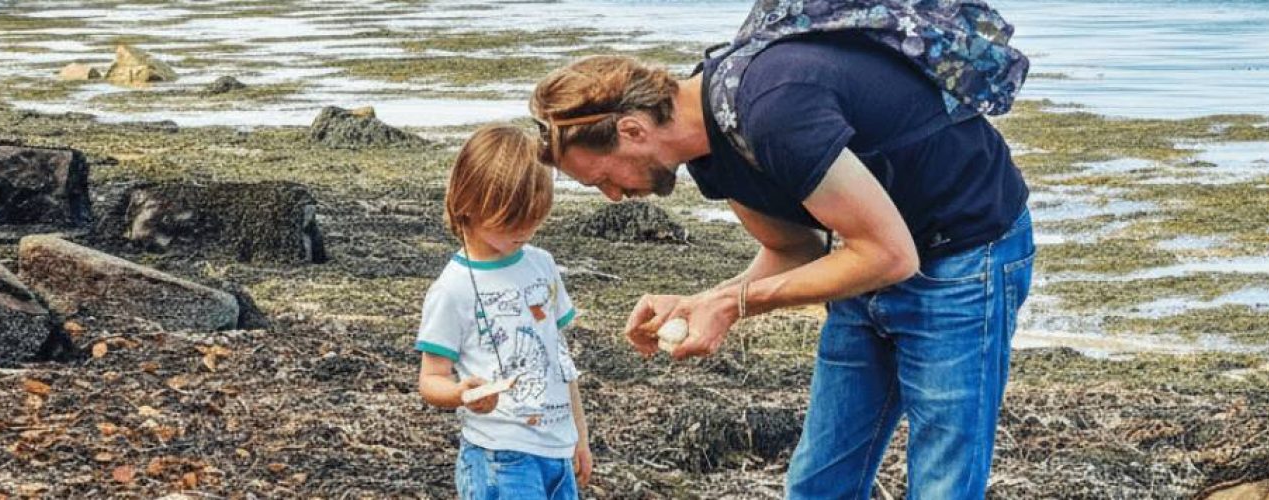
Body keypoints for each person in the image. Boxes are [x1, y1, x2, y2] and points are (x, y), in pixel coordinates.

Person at [529, 30, 1034, 498]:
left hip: (966, 252)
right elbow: (797, 251)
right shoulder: (713, 147)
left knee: (942, 484)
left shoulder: (772, 111)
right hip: (868, 259)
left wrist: (732, 304)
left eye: (602, 179)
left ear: (633, 129)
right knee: (817, 482)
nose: (614, 197)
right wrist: (702, 302)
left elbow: (890, 255)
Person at [414, 123, 592, 499]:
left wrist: (579, 435)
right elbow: (431, 379)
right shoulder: (453, 288)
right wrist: (460, 393)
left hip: (557, 450)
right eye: (513, 220)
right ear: (470, 203)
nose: (526, 231)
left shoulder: (542, 264)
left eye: (536, 218)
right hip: (499, 454)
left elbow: (560, 357)